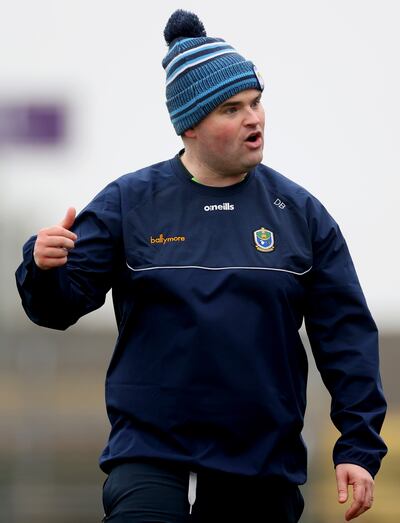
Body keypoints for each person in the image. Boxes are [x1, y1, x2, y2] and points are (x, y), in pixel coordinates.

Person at [16, 9, 387, 523]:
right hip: (149, 463)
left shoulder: (300, 215)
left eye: (256, 102)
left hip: (262, 473)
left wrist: (357, 446)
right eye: (232, 109)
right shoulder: (130, 203)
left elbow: (346, 337)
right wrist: (43, 267)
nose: (253, 118)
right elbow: (56, 309)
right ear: (191, 125)